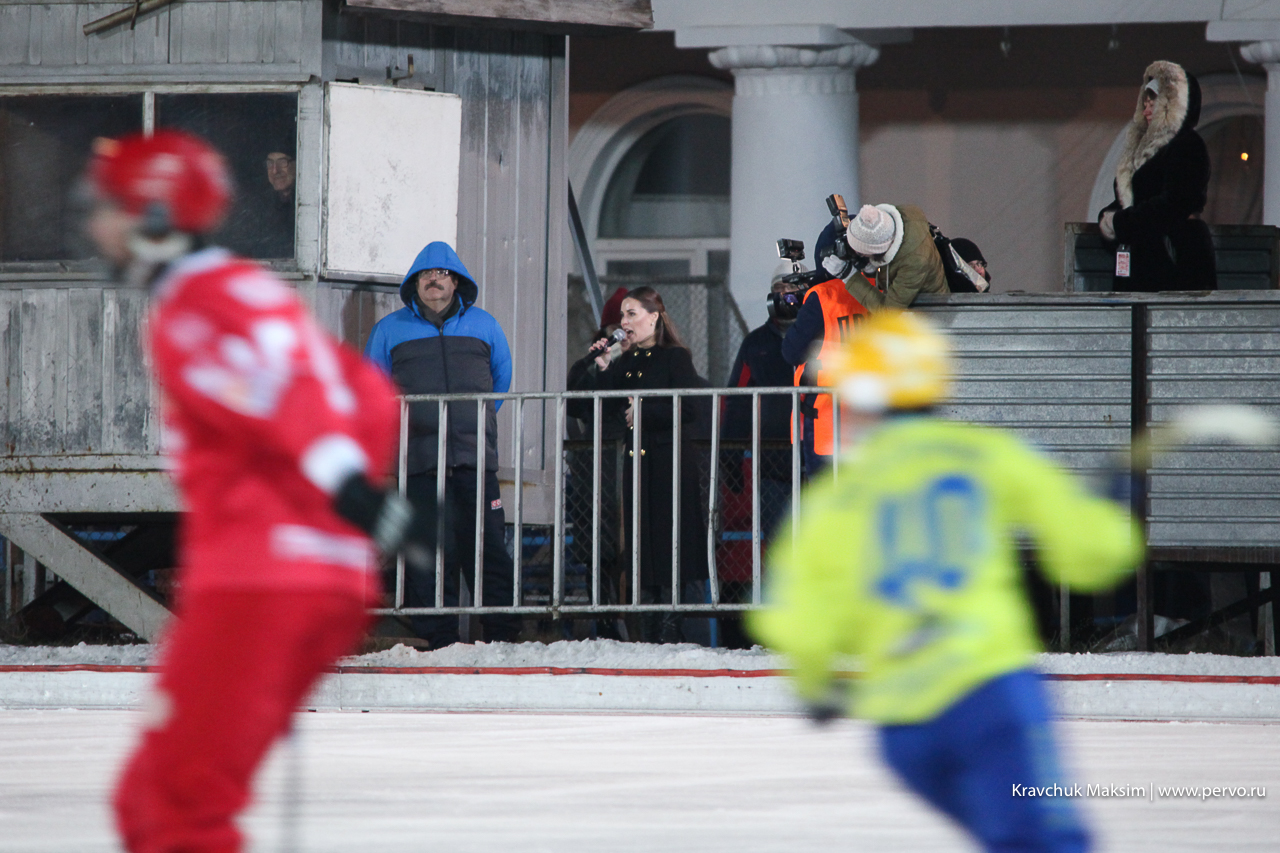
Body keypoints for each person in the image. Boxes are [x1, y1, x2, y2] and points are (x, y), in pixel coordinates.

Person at [89, 130, 423, 853]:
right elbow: (362, 392)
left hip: (261, 578)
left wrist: (345, 488)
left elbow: (278, 400)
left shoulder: (195, 305)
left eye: (109, 207)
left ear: (152, 218)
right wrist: (356, 503)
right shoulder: (247, 290)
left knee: (173, 805)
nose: (95, 225)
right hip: (314, 574)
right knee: (158, 799)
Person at [750, 310, 1143, 853]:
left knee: (999, 836)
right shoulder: (989, 456)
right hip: (991, 695)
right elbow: (1093, 559)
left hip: (902, 730)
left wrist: (815, 683)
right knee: (1042, 840)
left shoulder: (836, 501)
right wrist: (1117, 512)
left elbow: (797, 614)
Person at [364, 242, 521, 648]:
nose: (434, 280)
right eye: (426, 275)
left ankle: (502, 638)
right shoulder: (389, 330)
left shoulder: (485, 325)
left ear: (456, 282)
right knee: (429, 552)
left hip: (474, 459)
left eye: (442, 274)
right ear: (415, 283)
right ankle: (439, 638)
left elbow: (500, 382)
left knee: (487, 548)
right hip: (417, 462)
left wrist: (473, 421)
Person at [570, 286, 710, 643]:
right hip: (637, 463)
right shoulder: (629, 360)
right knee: (642, 544)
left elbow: (689, 408)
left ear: (654, 317)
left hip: (666, 464)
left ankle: (670, 623)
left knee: (668, 542)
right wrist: (603, 365)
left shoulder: (676, 358)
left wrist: (647, 411)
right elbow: (607, 401)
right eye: (622, 316)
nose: (625, 322)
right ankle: (648, 623)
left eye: (632, 314)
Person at [1097, 61, 1216, 292]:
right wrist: (1108, 218)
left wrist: (1118, 223)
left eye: (1155, 103)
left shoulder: (1186, 145)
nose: (1146, 111)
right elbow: (1135, 200)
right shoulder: (1147, 150)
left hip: (1174, 260)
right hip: (1148, 261)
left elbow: (1173, 204)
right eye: (1146, 103)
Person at [782, 223, 869, 476]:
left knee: (829, 508)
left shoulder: (823, 296)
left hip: (826, 427)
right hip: (870, 427)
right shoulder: (880, 291)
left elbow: (791, 351)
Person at [836, 203, 949, 310]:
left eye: (861, 252)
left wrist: (849, 277)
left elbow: (888, 312)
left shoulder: (915, 262)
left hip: (931, 312)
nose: (859, 255)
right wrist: (875, 269)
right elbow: (893, 261)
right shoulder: (900, 219)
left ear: (878, 249)